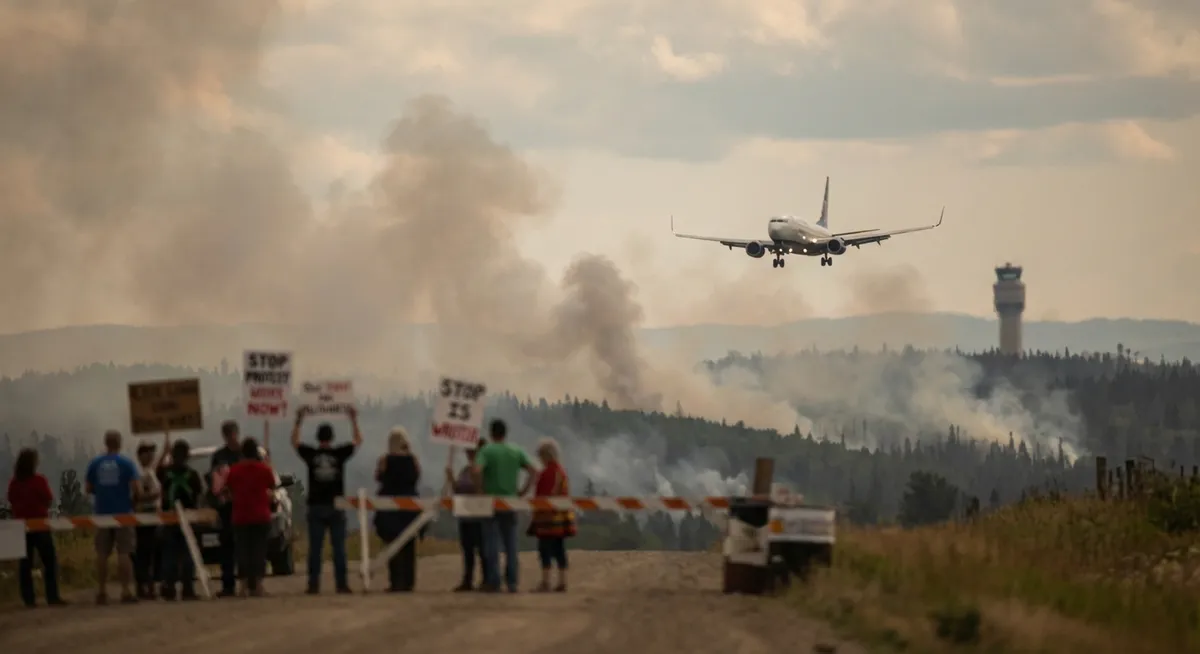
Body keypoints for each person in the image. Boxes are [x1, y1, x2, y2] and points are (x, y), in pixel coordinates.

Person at [291, 406, 363, 594]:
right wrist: (353, 419)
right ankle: (341, 584)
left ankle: (313, 584)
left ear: (318, 438)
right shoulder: (339, 454)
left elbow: (295, 441)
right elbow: (358, 441)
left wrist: (299, 419)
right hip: (336, 505)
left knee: (315, 549)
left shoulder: (311, 454)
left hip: (315, 506)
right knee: (338, 547)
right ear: (331, 438)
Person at [475, 419, 537, 593]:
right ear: (505, 433)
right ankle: (512, 582)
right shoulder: (516, 451)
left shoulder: (486, 451)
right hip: (511, 502)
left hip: (491, 502)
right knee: (511, 543)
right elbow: (534, 471)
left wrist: (480, 490)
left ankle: (494, 581)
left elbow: (477, 470)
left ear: (491, 433)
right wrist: (523, 491)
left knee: (491, 543)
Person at [85, 429, 141, 605]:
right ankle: (125, 591)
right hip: (123, 512)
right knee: (124, 552)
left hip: (102, 513)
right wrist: (133, 503)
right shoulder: (126, 463)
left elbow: (88, 489)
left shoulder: (95, 463)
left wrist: (101, 493)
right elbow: (137, 489)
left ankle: (101, 591)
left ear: (105, 443)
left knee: (102, 553)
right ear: (120, 443)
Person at [7, 448, 65, 608]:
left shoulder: (14, 482)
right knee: (49, 561)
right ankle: (52, 596)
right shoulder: (39, 480)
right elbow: (48, 499)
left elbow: (11, 500)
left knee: (25, 564)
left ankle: (29, 599)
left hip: (21, 526)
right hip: (40, 524)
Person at [224, 438, 276, 597]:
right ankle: (258, 586)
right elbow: (272, 486)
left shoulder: (234, 470)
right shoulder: (264, 469)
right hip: (260, 515)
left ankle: (244, 586)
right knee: (259, 551)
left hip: (240, 515)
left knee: (242, 551)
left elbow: (229, 490)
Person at [373, 426, 421, 592]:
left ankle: (395, 581)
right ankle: (409, 581)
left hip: (389, 510)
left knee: (391, 544)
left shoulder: (385, 460)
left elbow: (378, 477)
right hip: (409, 508)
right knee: (408, 545)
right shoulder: (413, 460)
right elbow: (416, 478)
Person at [156, 439, 204, 601]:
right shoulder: (193, 475)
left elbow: (157, 469)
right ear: (187, 456)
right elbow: (198, 497)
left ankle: (169, 587)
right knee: (188, 554)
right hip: (188, 519)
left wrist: (164, 452)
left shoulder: (165, 473)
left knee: (169, 554)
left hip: (169, 519)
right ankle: (187, 588)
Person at [528, 438, 575, 592]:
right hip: (561, 519)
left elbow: (542, 495)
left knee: (545, 550)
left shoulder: (547, 473)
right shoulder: (561, 472)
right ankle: (562, 581)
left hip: (547, 519)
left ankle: (546, 582)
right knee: (559, 550)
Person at [445, 438, 486, 591]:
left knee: (482, 550)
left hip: (479, 515)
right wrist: (450, 478)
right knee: (467, 550)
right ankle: (467, 579)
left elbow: (480, 489)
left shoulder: (482, 471)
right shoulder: (464, 471)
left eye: (471, 452)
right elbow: (457, 490)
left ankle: (486, 579)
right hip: (465, 515)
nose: (469, 455)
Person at [209, 419, 243, 598]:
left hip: (244, 506)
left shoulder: (245, 453)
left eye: (232, 433)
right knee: (227, 548)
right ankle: (228, 585)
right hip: (226, 507)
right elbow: (214, 479)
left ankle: (247, 584)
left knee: (244, 547)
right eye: (227, 434)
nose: (231, 437)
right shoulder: (219, 456)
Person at [133, 438, 165, 599]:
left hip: (153, 515)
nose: (151, 455)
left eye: (152, 451)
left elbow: (160, 459)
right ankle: (144, 586)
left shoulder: (150, 471)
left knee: (152, 552)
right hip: (145, 515)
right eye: (147, 452)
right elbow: (137, 496)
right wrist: (157, 495)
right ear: (140, 455)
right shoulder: (140, 473)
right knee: (145, 553)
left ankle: (150, 586)